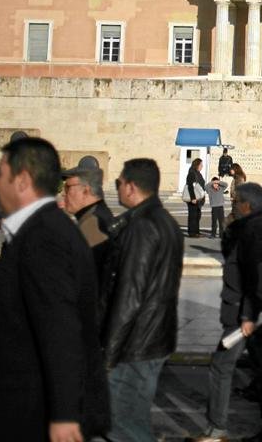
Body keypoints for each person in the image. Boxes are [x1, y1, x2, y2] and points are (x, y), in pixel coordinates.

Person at [0, 136, 109, 442]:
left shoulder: (45, 238)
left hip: (27, 415)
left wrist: (64, 416)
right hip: (19, 407)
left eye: (1, 174)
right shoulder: (38, 231)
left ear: (22, 180)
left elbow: (61, 330)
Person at [101, 158, 185, 442]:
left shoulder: (142, 226)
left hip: (136, 344)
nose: (118, 189)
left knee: (121, 424)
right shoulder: (168, 223)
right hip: (154, 337)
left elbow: (130, 295)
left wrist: (109, 354)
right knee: (130, 420)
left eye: (118, 183)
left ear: (131, 186)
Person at [200, 182, 262, 442]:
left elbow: (261, 275)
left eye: (235, 201)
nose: (232, 204)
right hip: (251, 313)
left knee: (221, 366)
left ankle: (217, 428)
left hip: (245, 316)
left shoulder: (257, 230)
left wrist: (249, 316)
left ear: (247, 204)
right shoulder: (251, 227)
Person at [60, 162, 116, 277]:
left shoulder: (93, 223)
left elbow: (82, 275)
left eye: (67, 188)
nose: (63, 194)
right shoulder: (95, 216)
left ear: (86, 191)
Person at [185, 157, 206, 238]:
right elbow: (190, 186)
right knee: (193, 216)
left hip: (199, 198)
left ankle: (197, 232)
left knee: (197, 215)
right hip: (193, 198)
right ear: (197, 165)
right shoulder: (192, 173)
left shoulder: (198, 173)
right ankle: (192, 233)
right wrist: (193, 198)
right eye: (201, 164)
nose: (202, 166)